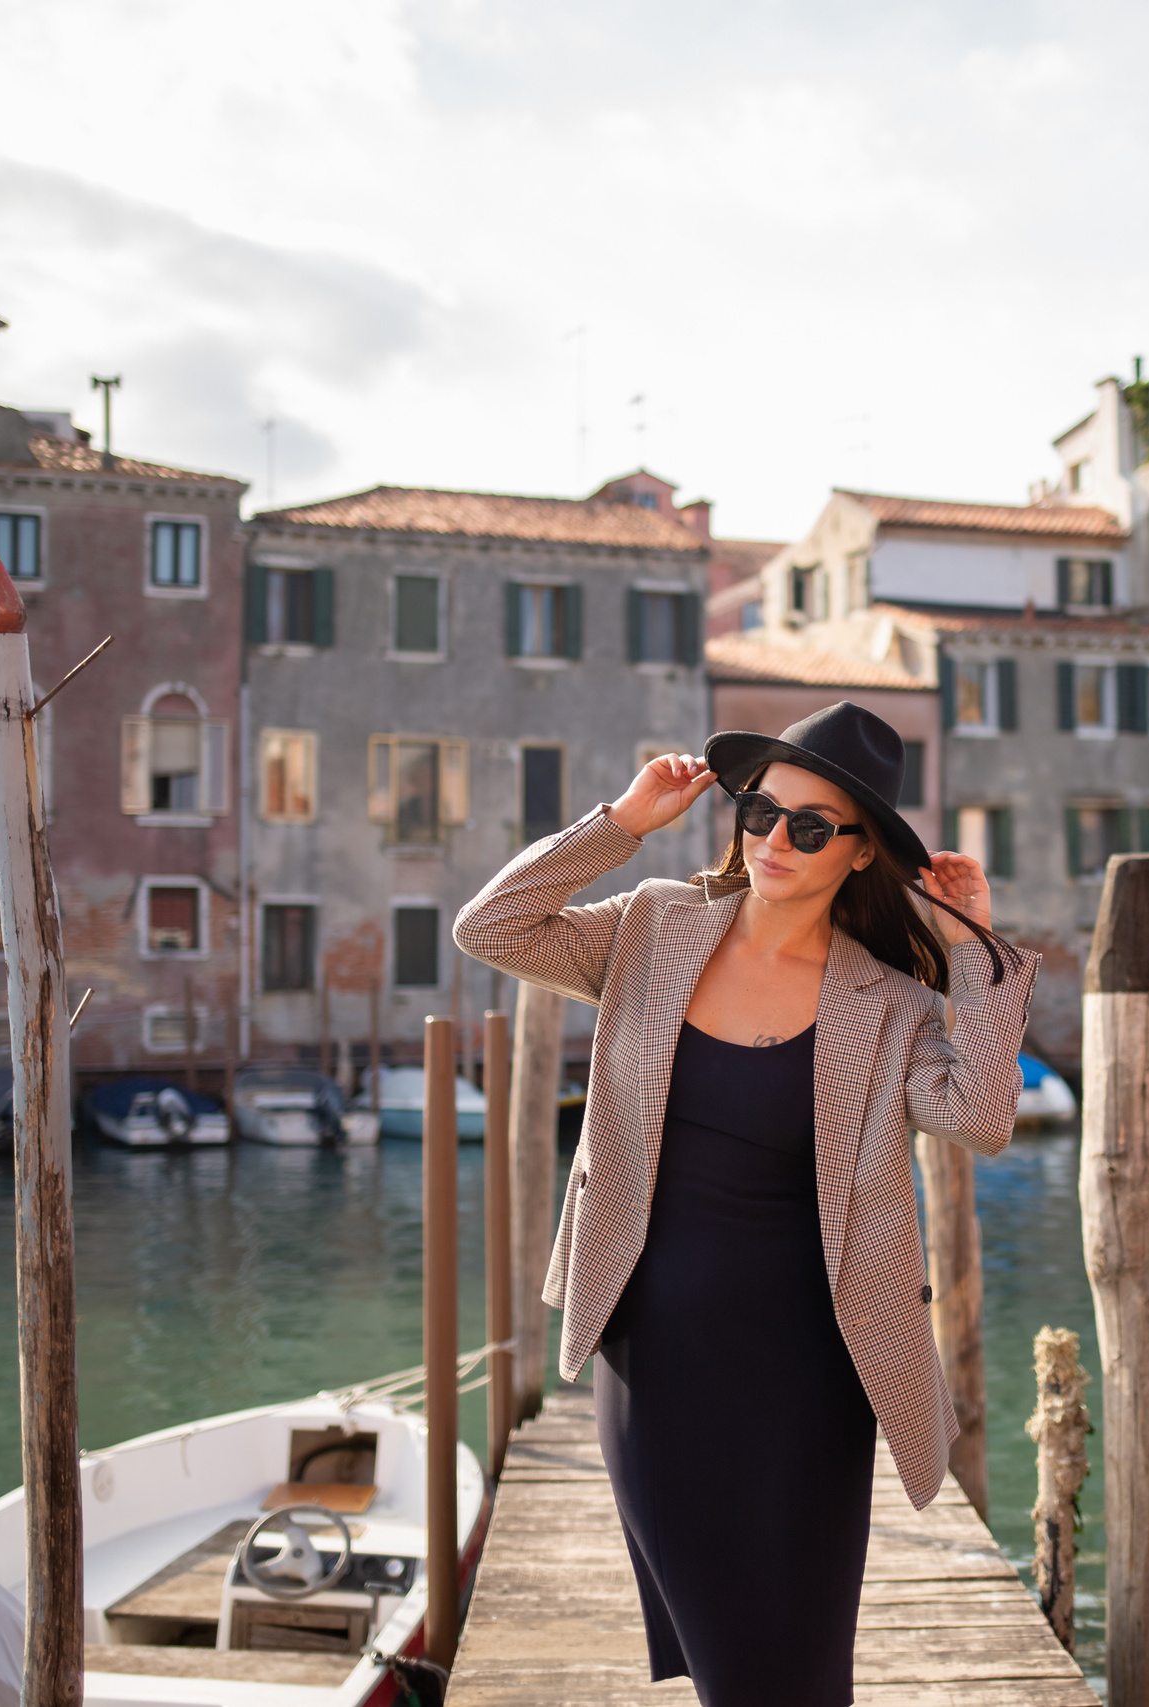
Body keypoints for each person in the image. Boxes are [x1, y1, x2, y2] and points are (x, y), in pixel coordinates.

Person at [453, 701, 1038, 1707]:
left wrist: (975, 945)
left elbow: (979, 1117)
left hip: (812, 1379)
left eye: (809, 827)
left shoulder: (888, 999)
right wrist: (622, 823)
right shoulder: (650, 928)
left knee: (799, 1673)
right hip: (654, 1362)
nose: (773, 840)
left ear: (861, 855)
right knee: (731, 1664)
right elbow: (489, 927)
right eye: (759, 813)